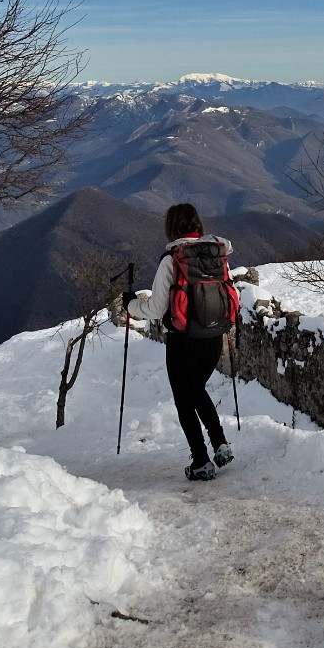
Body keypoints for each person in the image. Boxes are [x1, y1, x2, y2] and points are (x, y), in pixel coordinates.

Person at [127, 203, 235, 481]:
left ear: (172, 228)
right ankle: (220, 444)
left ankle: (201, 461)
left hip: (183, 341)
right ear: (198, 225)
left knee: (184, 399)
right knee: (197, 390)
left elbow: (154, 309)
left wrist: (131, 306)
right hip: (214, 336)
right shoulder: (217, 254)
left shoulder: (171, 259)